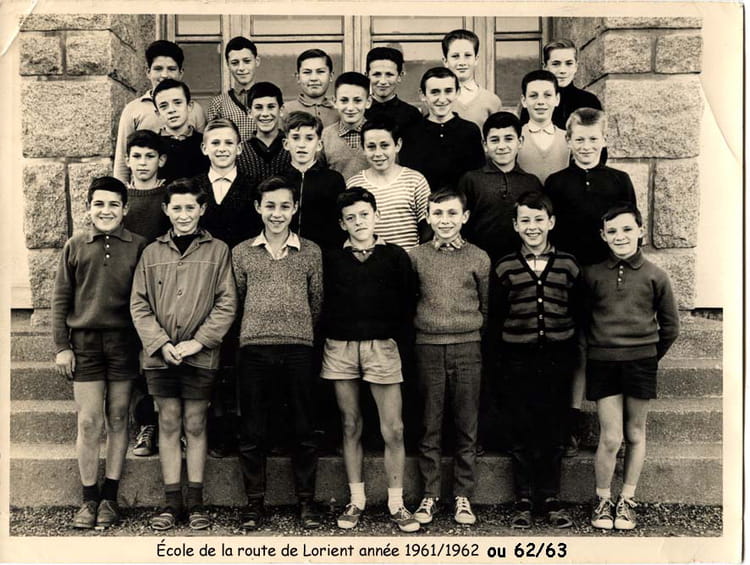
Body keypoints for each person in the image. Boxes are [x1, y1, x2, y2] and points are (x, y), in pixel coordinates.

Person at [130, 178, 237, 531]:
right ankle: (171, 502)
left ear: (202, 209)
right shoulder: (151, 252)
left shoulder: (218, 250)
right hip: (160, 356)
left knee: (195, 422)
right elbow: (139, 304)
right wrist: (161, 343)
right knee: (168, 421)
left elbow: (226, 303)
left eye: (191, 207)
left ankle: (196, 502)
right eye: (176, 208)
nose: (184, 214)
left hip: (199, 355)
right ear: (166, 210)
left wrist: (198, 342)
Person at [321, 187, 419, 533]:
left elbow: (408, 303)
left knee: (393, 427)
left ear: (376, 216)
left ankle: (397, 502)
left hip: (382, 346)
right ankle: (356, 499)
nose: (359, 222)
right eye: (351, 218)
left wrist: (393, 340)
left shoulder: (395, 256)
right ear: (342, 223)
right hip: (341, 347)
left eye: (364, 215)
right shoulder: (332, 258)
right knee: (350, 424)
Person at [52, 176, 147, 529]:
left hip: (124, 343)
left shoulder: (139, 246)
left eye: (113, 204)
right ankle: (88, 498)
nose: (106, 211)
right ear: (89, 207)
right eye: (99, 204)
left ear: (125, 209)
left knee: (119, 417)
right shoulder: (75, 245)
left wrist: (144, 346)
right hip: (86, 344)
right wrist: (62, 347)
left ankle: (110, 497)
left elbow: (146, 300)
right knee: (89, 421)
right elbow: (60, 299)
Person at [231, 176, 324, 531]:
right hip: (254, 347)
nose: (277, 213)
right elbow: (237, 300)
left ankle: (307, 501)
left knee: (303, 426)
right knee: (253, 428)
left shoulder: (311, 252)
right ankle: (254, 503)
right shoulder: (241, 252)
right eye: (269, 206)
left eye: (285, 206)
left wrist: (297, 329)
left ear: (295, 208)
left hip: (298, 347)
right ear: (258, 207)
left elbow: (317, 302)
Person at [584, 204, 679, 531]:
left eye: (627, 229)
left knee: (635, 433)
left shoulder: (656, 275)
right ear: (603, 236)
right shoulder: (592, 274)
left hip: (641, 363)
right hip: (603, 363)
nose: (620, 236)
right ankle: (602, 500)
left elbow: (671, 327)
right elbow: (583, 321)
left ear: (640, 231)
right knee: (611, 437)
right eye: (612, 231)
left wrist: (648, 356)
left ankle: (627, 500)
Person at [493, 191, 581, 530]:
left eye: (539, 220)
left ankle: (551, 498)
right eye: (525, 220)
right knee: (521, 428)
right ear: (516, 225)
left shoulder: (569, 264)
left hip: (557, 358)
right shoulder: (505, 266)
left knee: (553, 429)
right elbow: (497, 316)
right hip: (517, 359)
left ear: (551, 222)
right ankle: (524, 499)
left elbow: (578, 312)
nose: (533, 227)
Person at [409, 190, 489, 527]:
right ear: (428, 217)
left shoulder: (479, 258)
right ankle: (429, 494)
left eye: (452, 213)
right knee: (430, 423)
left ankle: (462, 496)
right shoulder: (415, 257)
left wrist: (471, 331)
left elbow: (486, 305)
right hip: (427, 346)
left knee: (466, 425)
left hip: (467, 346)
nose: (445, 220)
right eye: (438, 213)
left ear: (465, 217)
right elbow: (410, 300)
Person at [121, 130, 169, 458]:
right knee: (137, 363)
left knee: (160, 359)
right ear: (127, 160)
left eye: (149, 156)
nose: (142, 163)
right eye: (136, 156)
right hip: (128, 290)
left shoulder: (168, 195)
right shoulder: (121, 198)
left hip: (163, 289)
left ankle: (169, 425)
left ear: (161, 160)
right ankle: (146, 425)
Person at [113, 40, 206, 183]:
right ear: (148, 72)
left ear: (181, 73)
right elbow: (122, 161)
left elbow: (203, 151)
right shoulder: (133, 109)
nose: (164, 75)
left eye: (171, 69)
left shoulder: (195, 110)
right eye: (158, 69)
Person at [459, 111, 543, 264]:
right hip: (479, 262)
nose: (502, 146)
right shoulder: (471, 180)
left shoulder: (531, 182)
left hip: (521, 264)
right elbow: (461, 223)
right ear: (485, 145)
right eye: (495, 140)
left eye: (509, 139)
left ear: (520, 142)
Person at [346, 117, 430, 251]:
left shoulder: (415, 181)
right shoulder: (354, 184)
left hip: (409, 260)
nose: (378, 153)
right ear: (363, 148)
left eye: (384, 145)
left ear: (398, 145)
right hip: (371, 260)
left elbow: (427, 228)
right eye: (371, 147)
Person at [399, 67, 484, 193]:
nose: (442, 99)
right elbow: (407, 180)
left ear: (457, 92)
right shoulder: (410, 133)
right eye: (435, 92)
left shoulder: (470, 131)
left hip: (462, 203)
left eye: (448, 91)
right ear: (423, 95)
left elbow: (478, 179)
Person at [278, 111, 347, 250]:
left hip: (324, 253)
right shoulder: (278, 181)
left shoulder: (333, 180)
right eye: (295, 138)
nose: (302, 145)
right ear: (286, 144)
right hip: (285, 253)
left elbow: (339, 224)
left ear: (319, 145)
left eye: (309, 138)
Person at [196, 118, 261, 249]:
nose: (222, 149)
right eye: (215, 143)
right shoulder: (193, 187)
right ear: (204, 148)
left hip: (241, 258)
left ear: (239, 148)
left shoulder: (255, 187)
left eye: (229, 143)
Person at [520, 38, 602, 130]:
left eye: (569, 63)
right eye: (556, 64)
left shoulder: (589, 101)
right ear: (545, 67)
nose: (562, 70)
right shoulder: (534, 103)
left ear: (576, 66)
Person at [441, 29, 502, 130]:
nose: (462, 62)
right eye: (455, 56)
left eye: (468, 55)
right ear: (445, 61)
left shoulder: (491, 100)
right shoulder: (436, 100)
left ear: (476, 59)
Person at [517, 70, 569, 184]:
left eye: (547, 95)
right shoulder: (515, 138)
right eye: (533, 96)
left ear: (557, 99)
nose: (540, 101)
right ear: (524, 101)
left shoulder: (569, 139)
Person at [152, 79, 210, 183]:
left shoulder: (206, 144)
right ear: (158, 113)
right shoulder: (152, 146)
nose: (171, 110)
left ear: (189, 106)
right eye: (164, 106)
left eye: (178, 103)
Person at [236, 82, 292, 188]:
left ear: (281, 110)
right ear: (249, 112)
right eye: (258, 107)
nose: (265, 114)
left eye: (271, 107)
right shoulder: (240, 152)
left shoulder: (292, 148)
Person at [206, 36, 260, 142]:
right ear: (228, 65)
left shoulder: (268, 99)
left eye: (247, 61)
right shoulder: (218, 103)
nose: (241, 68)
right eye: (235, 63)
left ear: (257, 61)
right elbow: (212, 139)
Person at [321, 71, 371, 180]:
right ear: (335, 101)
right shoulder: (326, 136)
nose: (350, 108)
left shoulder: (379, 134)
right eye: (344, 100)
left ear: (368, 102)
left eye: (357, 101)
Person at [364, 46, 422, 131]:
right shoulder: (360, 111)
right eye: (377, 74)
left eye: (389, 74)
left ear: (399, 76)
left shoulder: (411, 114)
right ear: (367, 76)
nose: (383, 81)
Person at [284, 49, 339, 128]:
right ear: (298, 77)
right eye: (307, 72)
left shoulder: (339, 111)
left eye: (320, 71)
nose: (313, 78)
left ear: (331, 76)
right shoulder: (285, 110)